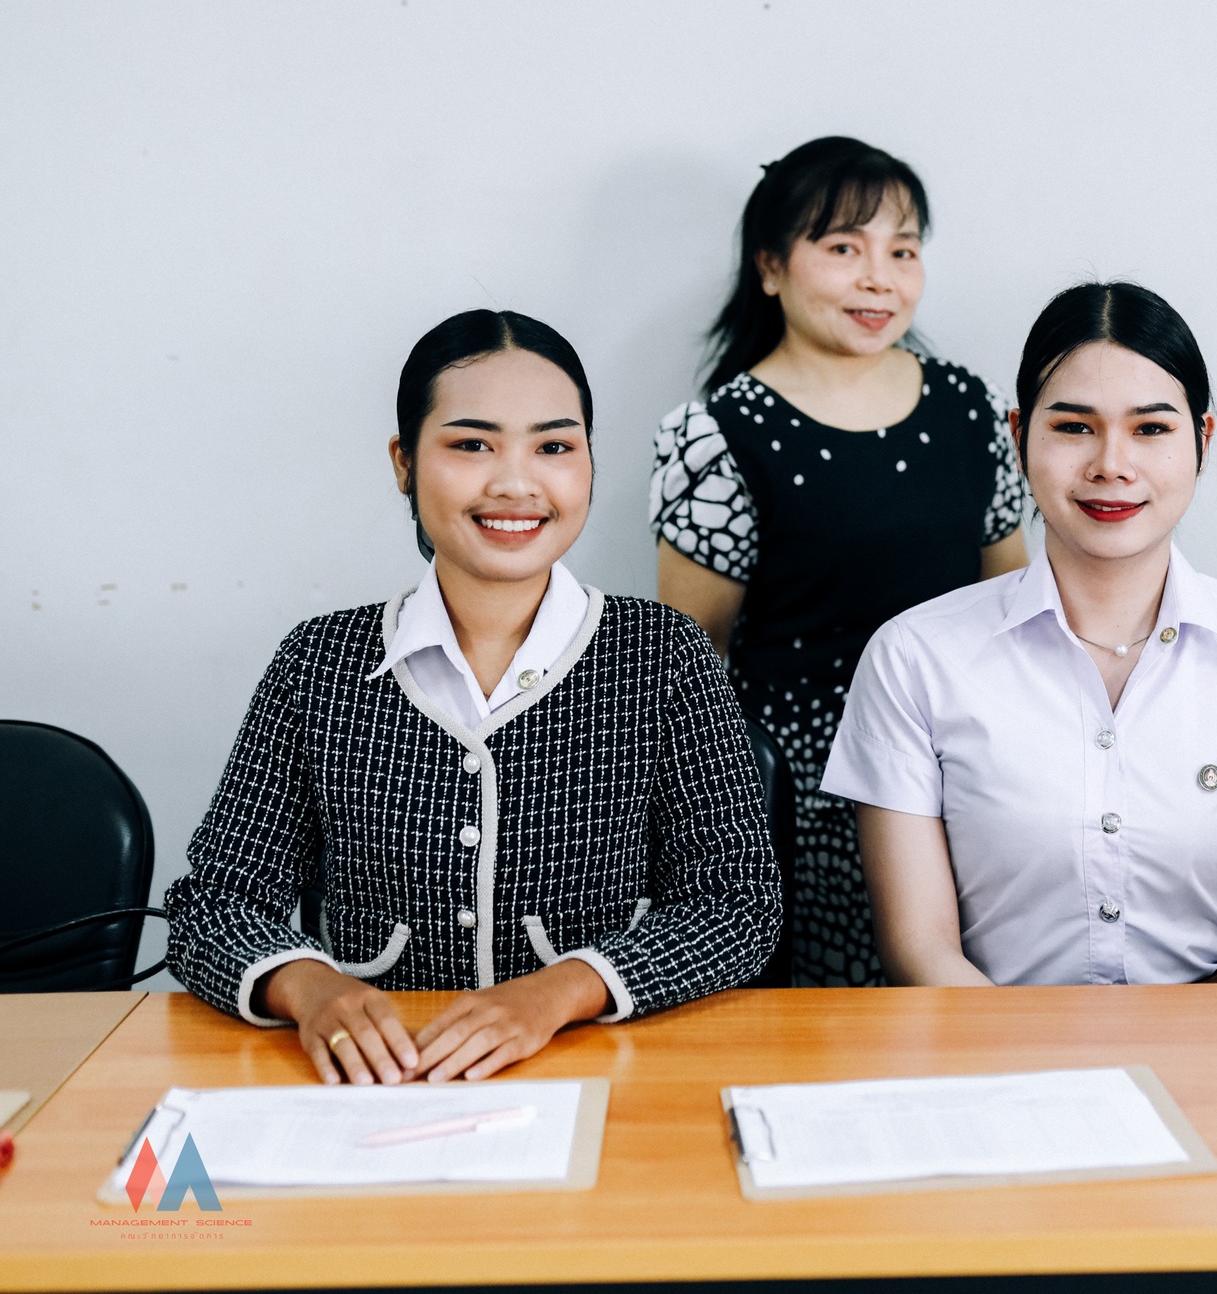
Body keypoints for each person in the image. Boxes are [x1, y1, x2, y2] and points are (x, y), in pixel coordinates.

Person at [166, 309, 780, 1084]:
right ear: (404, 461)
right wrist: (308, 985)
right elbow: (214, 901)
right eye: (471, 444)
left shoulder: (663, 654)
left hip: (598, 1074)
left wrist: (560, 992)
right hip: (379, 1084)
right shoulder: (319, 661)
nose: (516, 483)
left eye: (554, 446)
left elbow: (737, 904)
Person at [820, 282, 1217, 986]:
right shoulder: (913, 658)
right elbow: (920, 950)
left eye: (1151, 429)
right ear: (1018, 436)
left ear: (1202, 440)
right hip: (987, 1040)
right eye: (1074, 427)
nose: (1112, 464)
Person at [650, 137, 1027, 986]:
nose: (879, 278)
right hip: (806, 804)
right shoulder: (715, 433)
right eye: (844, 248)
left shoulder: (969, 406)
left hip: (970, 782)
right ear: (770, 266)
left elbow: (1013, 603)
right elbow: (692, 667)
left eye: (903, 251)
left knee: (985, 1024)